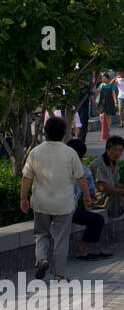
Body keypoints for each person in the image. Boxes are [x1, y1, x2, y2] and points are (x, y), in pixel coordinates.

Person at [20, 116, 92, 281]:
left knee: (41, 234)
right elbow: (81, 178)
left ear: (45, 133)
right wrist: (87, 196)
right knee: (61, 239)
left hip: (41, 202)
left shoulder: (35, 152)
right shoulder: (70, 153)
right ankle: (59, 274)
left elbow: (26, 177)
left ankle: (42, 259)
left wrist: (23, 198)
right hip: (64, 204)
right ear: (63, 134)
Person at [66, 138, 110, 262]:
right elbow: (91, 196)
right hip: (69, 210)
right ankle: (81, 250)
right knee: (97, 220)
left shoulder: (56, 168)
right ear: (83, 155)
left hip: (48, 207)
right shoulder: (84, 171)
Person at [95, 72, 118, 141]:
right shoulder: (101, 85)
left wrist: (115, 102)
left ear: (108, 79)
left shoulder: (111, 86)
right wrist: (94, 86)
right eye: (102, 78)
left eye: (104, 78)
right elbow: (97, 92)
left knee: (108, 117)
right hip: (102, 103)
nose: (103, 79)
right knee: (101, 116)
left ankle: (107, 131)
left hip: (109, 103)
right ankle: (103, 130)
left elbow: (114, 95)